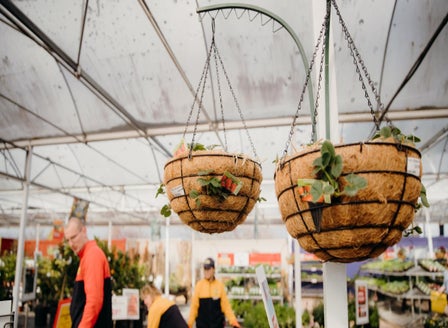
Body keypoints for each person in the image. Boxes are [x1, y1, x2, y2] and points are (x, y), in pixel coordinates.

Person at [64, 217, 112, 327]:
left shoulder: (92, 255)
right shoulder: (86, 256)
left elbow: (94, 301)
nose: (71, 244)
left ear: (84, 231)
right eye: (68, 240)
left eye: (73, 237)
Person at [188, 258, 240, 328]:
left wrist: (233, 321)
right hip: (202, 325)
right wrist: (189, 324)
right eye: (205, 269)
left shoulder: (219, 286)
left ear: (213, 269)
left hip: (217, 325)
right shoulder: (199, 286)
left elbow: (226, 306)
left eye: (208, 269)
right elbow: (194, 307)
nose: (206, 271)